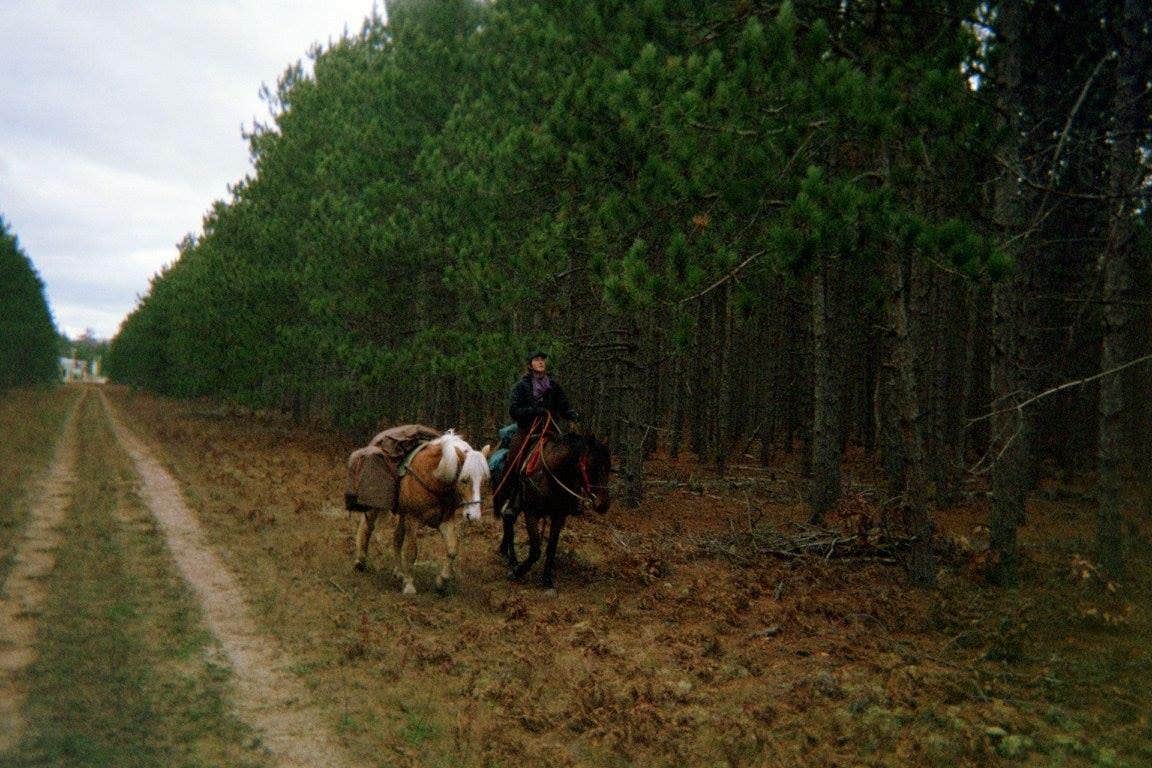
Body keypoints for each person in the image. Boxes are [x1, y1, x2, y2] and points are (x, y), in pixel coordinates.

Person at [494, 351, 580, 515]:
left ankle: (572, 500)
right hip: (526, 431)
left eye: (542, 360)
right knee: (514, 459)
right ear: (530, 365)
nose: (541, 362)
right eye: (537, 360)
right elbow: (514, 410)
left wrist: (571, 414)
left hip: (550, 432)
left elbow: (564, 406)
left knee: (570, 458)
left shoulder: (554, 386)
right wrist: (534, 411)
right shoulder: (521, 386)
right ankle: (511, 499)